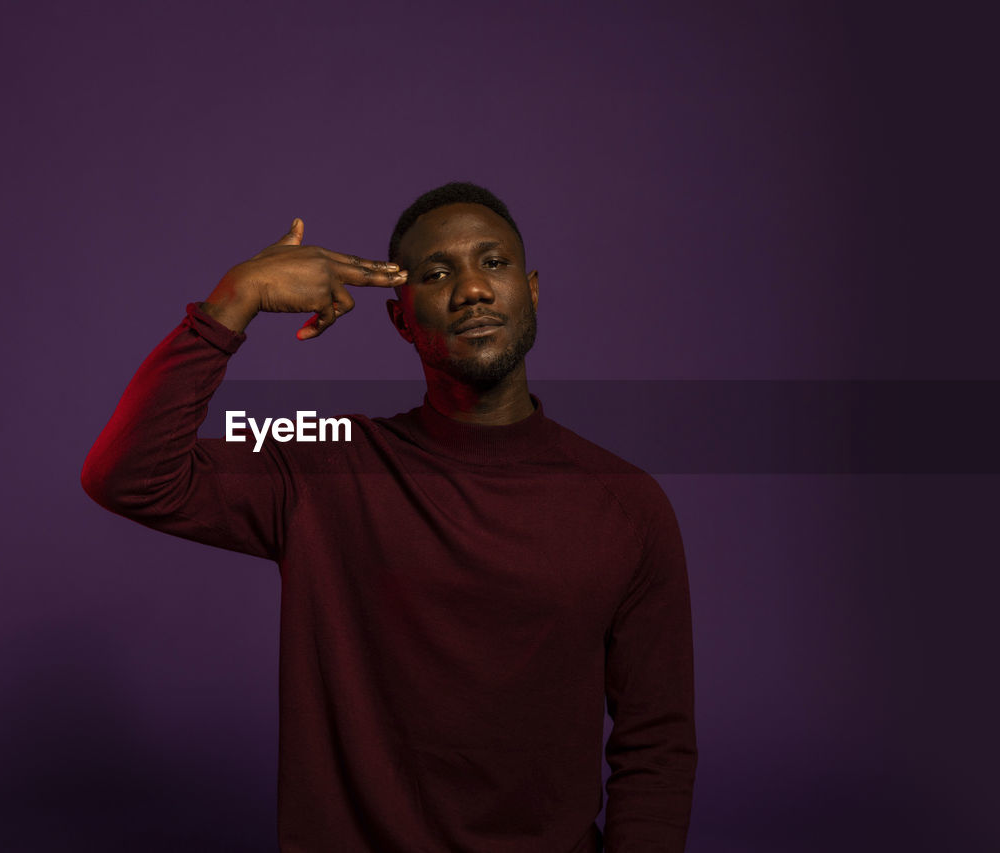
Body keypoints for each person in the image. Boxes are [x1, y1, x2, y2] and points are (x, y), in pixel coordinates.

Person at [81, 182, 697, 852]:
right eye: (436, 274)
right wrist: (235, 299)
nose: (472, 290)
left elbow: (655, 744)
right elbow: (127, 473)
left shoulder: (627, 503)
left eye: (494, 264)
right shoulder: (330, 460)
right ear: (401, 320)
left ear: (532, 289)